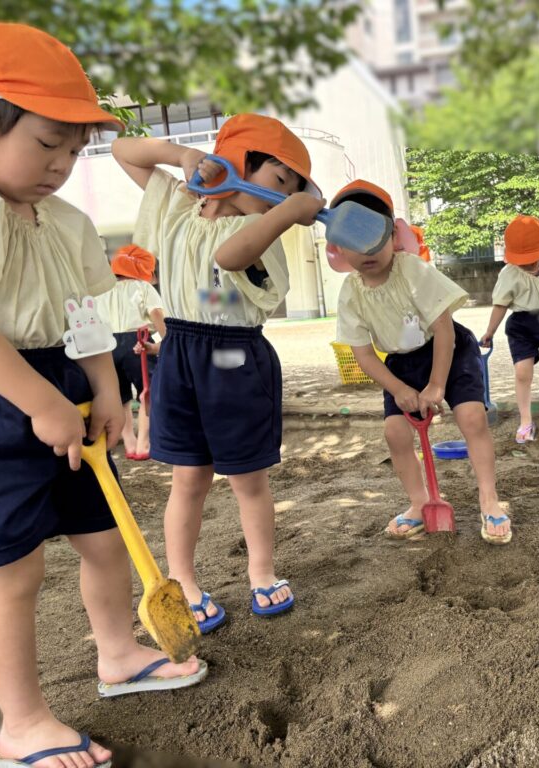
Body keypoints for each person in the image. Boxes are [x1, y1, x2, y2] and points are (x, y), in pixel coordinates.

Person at [0, 23, 206, 768]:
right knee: (11, 570)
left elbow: (83, 318)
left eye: (75, 151)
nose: (61, 164)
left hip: (68, 386)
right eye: (47, 142)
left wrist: (107, 389)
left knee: (105, 538)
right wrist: (38, 402)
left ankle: (118, 652)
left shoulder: (70, 222)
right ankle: (21, 725)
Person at [112, 113, 326, 631]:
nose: (282, 197)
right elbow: (123, 149)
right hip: (179, 352)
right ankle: (183, 581)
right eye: (278, 180)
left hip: (234, 355)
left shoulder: (261, 230)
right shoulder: (179, 207)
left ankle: (262, 572)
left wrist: (291, 208)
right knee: (188, 478)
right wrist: (182, 156)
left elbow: (230, 257)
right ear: (238, 163)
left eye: (291, 191)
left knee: (248, 478)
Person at [332, 179, 512, 545]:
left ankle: (489, 499)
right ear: (338, 249)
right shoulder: (350, 293)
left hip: (449, 349)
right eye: (354, 240)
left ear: (393, 235)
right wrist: (398, 389)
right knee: (395, 433)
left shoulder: (411, 269)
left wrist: (437, 385)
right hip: (400, 364)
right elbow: (363, 354)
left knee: (472, 417)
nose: (367, 250)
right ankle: (420, 502)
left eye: (375, 236)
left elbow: (443, 328)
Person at [480, 214, 539, 444]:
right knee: (523, 373)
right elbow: (500, 305)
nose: (526, 265)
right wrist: (490, 331)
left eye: (530, 260)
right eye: (520, 261)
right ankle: (525, 421)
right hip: (521, 324)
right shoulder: (509, 274)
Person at [94, 244, 166, 461]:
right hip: (137, 341)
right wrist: (167, 338)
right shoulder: (143, 288)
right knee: (147, 392)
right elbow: (156, 314)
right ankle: (144, 442)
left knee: (119, 395)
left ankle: (129, 441)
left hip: (106, 344)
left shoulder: (101, 290)